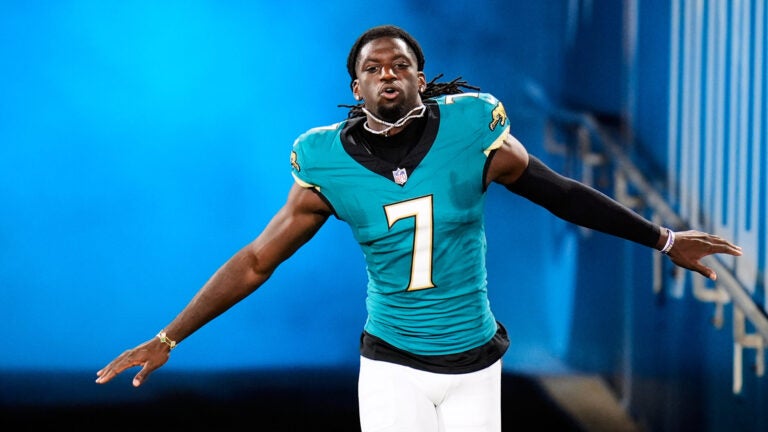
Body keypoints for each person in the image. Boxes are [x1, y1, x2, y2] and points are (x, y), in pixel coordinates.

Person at [95, 24, 743, 432]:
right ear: (357, 83)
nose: (387, 74)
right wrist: (169, 336)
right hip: (393, 364)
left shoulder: (472, 130)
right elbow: (258, 261)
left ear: (420, 79)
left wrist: (663, 239)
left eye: (399, 64)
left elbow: (562, 194)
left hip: (476, 363)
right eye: (374, 67)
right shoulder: (324, 162)